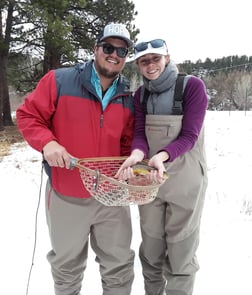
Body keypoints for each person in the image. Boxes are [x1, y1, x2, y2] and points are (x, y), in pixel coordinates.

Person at [16, 23, 135, 295]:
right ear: (96, 48)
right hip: (67, 195)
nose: (114, 54)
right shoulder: (59, 80)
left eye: (122, 50)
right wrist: (48, 143)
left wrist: (131, 168)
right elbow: (27, 115)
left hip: (112, 197)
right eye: (108, 47)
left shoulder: (128, 95)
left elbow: (127, 144)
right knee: (67, 268)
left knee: (119, 267)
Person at [115, 38, 208, 295]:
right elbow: (140, 135)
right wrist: (137, 153)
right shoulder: (140, 95)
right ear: (138, 66)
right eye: (144, 61)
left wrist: (163, 155)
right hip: (150, 179)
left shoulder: (192, 87)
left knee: (181, 249)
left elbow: (190, 136)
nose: (150, 65)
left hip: (185, 180)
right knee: (152, 247)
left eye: (155, 58)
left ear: (167, 57)